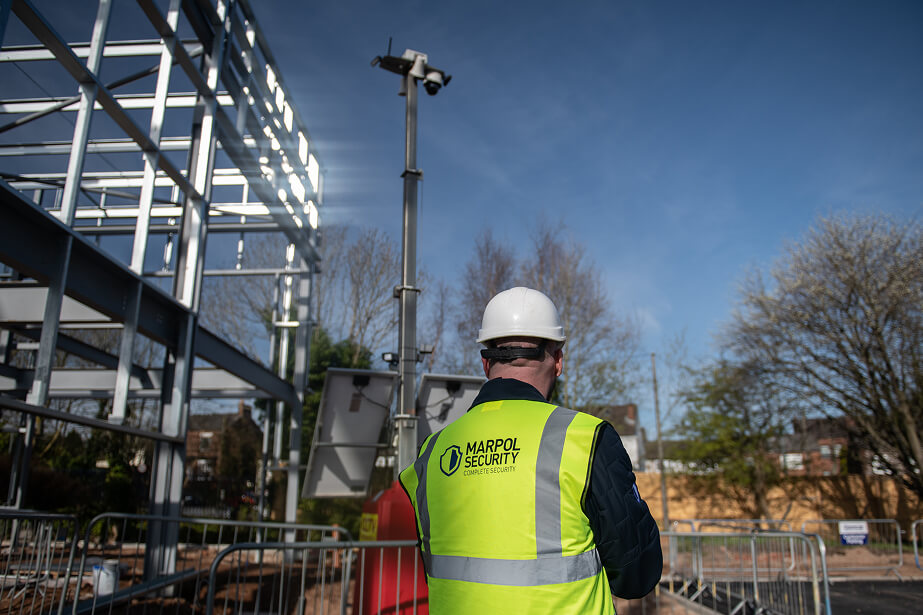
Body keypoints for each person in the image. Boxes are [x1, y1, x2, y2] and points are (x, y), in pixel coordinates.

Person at [399, 287, 662, 614]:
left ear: (485, 363)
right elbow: (637, 576)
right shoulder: (585, 439)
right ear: (558, 361)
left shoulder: (430, 454)